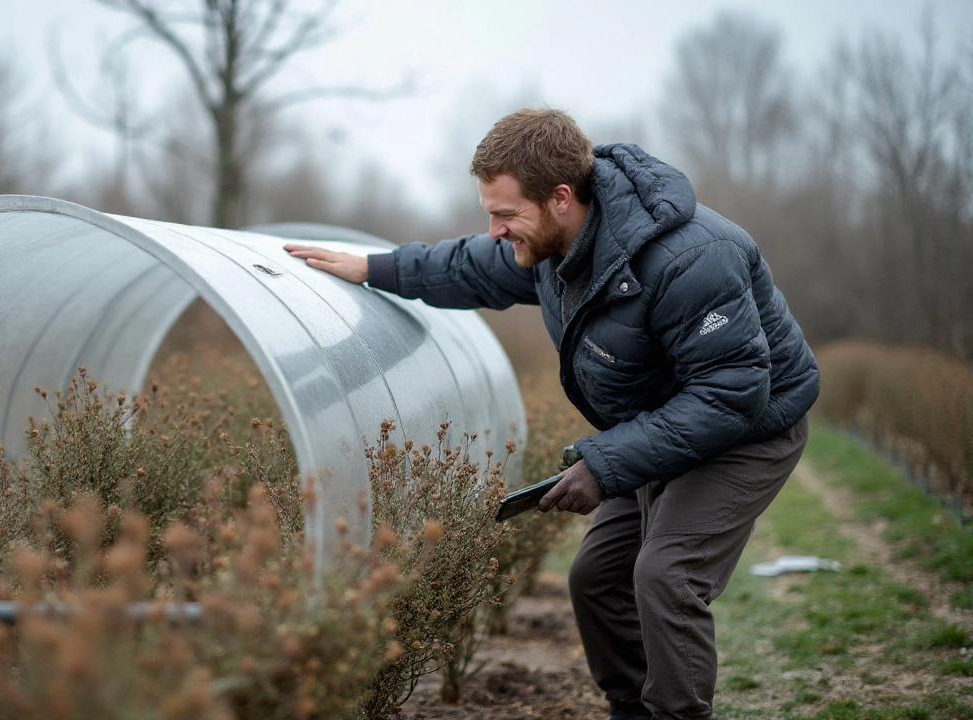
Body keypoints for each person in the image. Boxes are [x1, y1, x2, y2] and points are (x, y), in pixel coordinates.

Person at [284, 107, 819, 720]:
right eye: (489, 211)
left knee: (668, 577)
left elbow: (730, 393)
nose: (493, 230)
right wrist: (373, 269)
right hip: (659, 424)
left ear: (562, 198)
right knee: (596, 579)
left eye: (506, 214)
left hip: (749, 429)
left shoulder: (692, 258)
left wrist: (606, 462)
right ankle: (632, 710)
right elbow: (464, 266)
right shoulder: (550, 250)